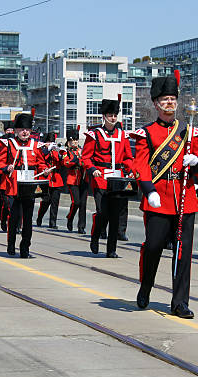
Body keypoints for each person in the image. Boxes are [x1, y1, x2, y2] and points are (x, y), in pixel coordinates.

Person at [131, 73, 198, 319]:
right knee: (153, 247)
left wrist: (195, 161)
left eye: (173, 99)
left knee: (183, 253)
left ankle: (180, 302)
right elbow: (140, 164)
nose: (169, 103)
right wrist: (149, 190)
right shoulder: (148, 133)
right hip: (158, 197)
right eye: (164, 99)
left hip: (185, 198)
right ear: (155, 103)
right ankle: (146, 286)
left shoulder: (189, 131)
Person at [82, 98, 134, 258]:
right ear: (103, 116)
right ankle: (95, 236)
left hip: (117, 180)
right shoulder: (94, 135)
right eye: (110, 115)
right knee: (103, 212)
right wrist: (92, 169)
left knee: (115, 216)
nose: (113, 118)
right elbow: (85, 157)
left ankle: (111, 249)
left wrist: (130, 170)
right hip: (101, 179)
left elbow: (128, 157)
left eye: (115, 115)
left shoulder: (122, 135)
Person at [0, 113, 49, 258]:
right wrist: (6, 168)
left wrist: (44, 169)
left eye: (27, 129)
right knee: (14, 218)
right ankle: (11, 244)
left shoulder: (35, 145)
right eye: (21, 129)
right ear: (16, 131)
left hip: (30, 186)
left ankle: (25, 246)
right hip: (13, 187)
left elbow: (41, 162)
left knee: (28, 218)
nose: (24, 132)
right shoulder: (9, 144)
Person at [36, 132, 64, 229]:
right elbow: (40, 159)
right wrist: (48, 149)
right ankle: (40, 217)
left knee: (55, 202)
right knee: (46, 200)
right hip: (45, 178)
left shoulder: (55, 150)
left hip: (56, 179)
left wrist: (59, 152)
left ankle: (53, 222)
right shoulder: (42, 149)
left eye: (52, 142)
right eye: (49, 142)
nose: (50, 143)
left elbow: (61, 161)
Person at [63, 128, 88, 234]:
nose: (75, 142)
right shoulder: (66, 152)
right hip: (73, 180)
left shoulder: (82, 151)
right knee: (76, 202)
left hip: (83, 180)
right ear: (68, 142)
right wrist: (76, 160)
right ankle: (70, 217)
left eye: (76, 140)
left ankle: (81, 226)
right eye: (72, 141)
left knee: (83, 204)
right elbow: (66, 163)